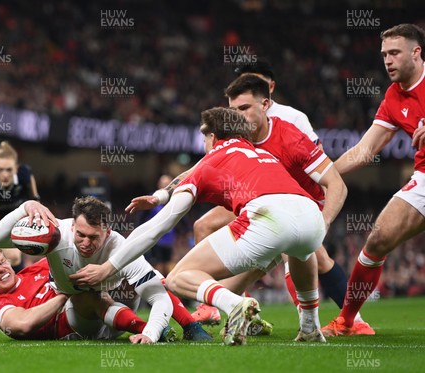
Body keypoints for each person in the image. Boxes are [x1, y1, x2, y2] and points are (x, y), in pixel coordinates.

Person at [71, 107, 328, 345]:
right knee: (300, 250)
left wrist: (107, 268)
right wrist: (161, 195)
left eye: (204, 138)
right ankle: (309, 326)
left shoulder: (210, 160)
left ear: (213, 137)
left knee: (178, 278)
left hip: (267, 218)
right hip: (311, 214)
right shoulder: (262, 154)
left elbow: (158, 226)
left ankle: (234, 304)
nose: (203, 146)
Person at [0, 197, 212, 342]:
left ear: (108, 232)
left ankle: (191, 327)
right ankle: (156, 328)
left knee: (155, 280)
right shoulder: (55, 234)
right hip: (83, 315)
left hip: (123, 303)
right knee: (87, 294)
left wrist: (149, 335)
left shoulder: (120, 248)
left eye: (94, 237)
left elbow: (158, 297)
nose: (85, 242)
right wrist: (25, 207)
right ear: (72, 226)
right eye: (80, 235)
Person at [322, 23, 425, 336]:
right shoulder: (394, 97)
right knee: (378, 238)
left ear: (417, 53)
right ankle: (347, 321)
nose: (388, 60)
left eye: (394, 52)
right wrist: (325, 176)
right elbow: (365, 150)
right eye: (384, 55)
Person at [0, 243, 160, 341]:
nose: (1, 269)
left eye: (2, 262)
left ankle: (184, 316)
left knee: (126, 264)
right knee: (83, 295)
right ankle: (150, 331)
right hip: (79, 327)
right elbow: (23, 325)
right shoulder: (0, 304)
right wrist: (65, 292)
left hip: (111, 313)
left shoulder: (38, 267)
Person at [140, 175, 176, 276]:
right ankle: (158, 286)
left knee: (167, 265)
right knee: (158, 265)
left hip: (169, 240)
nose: (165, 186)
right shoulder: (151, 199)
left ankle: (167, 288)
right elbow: (141, 217)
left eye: (168, 184)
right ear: (158, 184)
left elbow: (182, 220)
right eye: (163, 184)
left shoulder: (175, 199)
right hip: (156, 239)